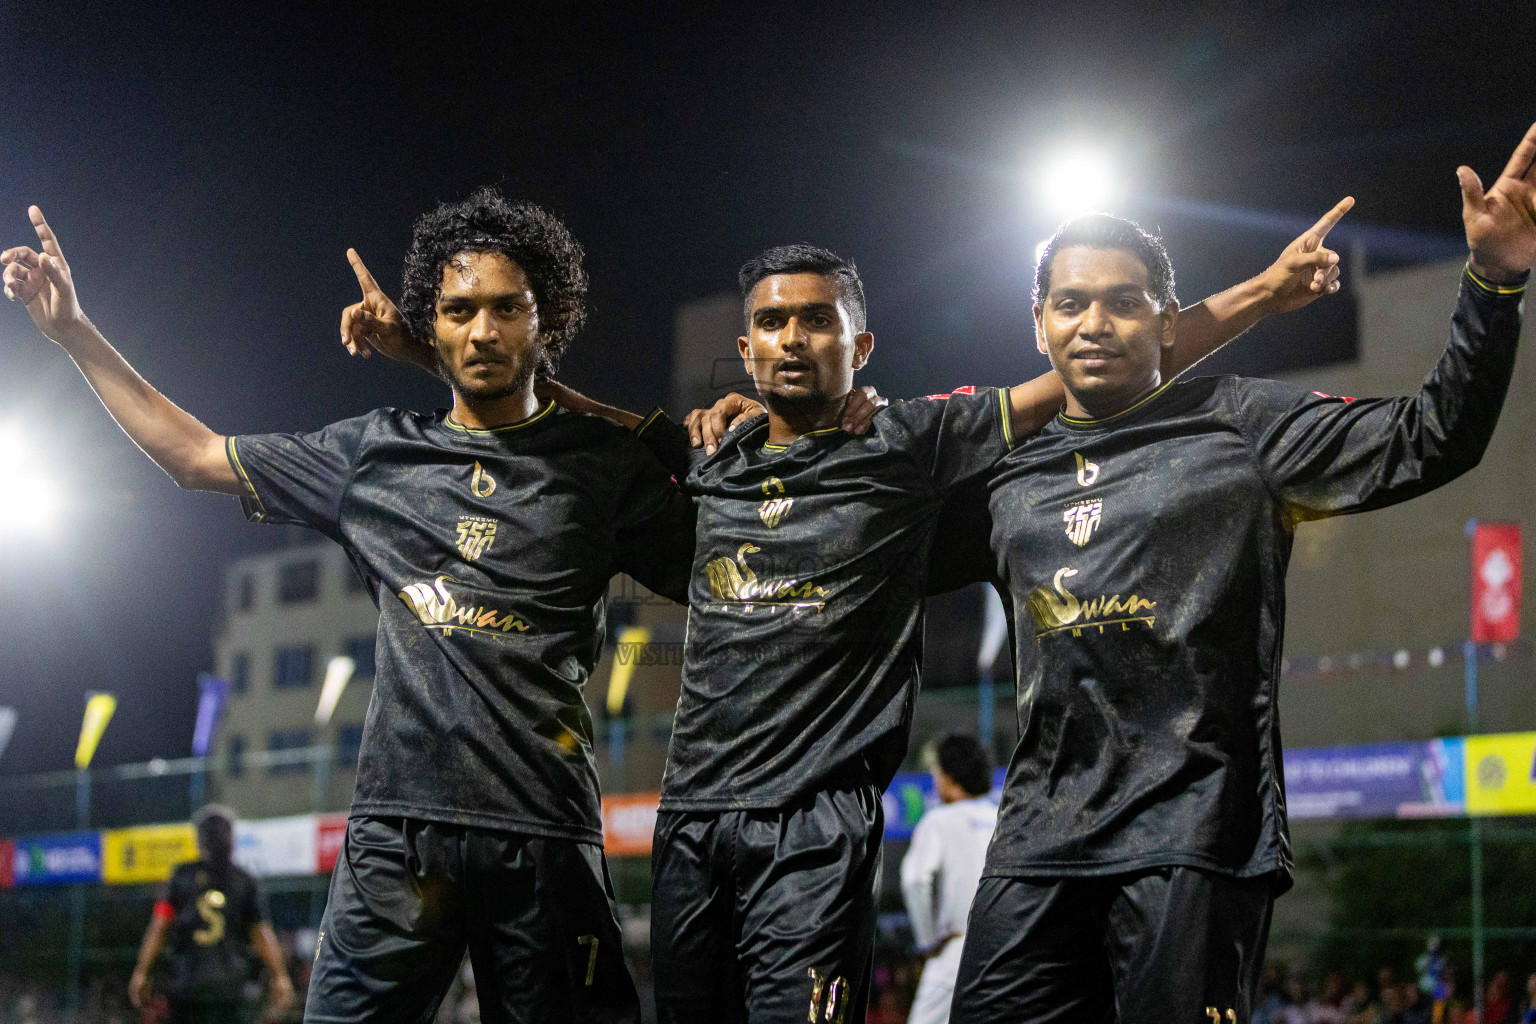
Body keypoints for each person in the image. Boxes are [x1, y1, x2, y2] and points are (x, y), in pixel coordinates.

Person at [476, 219, 1345, 1024]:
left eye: (818, 321)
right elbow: (589, 422)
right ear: (745, 350)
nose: (793, 339)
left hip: (816, 827)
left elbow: (1100, 361)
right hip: (693, 820)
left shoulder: (909, 443)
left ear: (861, 346)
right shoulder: (717, 453)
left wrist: (1265, 293)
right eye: (775, 324)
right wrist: (432, 358)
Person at [1, 187, 699, 1024]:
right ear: (429, 323)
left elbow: (723, 554)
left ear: (546, 320)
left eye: (508, 309)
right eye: (459, 310)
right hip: (395, 837)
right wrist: (74, 332)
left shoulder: (601, 467)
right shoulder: (374, 455)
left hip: (543, 830)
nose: (482, 331)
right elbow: (191, 454)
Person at [948, 123, 1536, 1024]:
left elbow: (1435, 436)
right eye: (1069, 303)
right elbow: (865, 519)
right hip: (1035, 843)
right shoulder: (1004, 475)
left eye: (1122, 302)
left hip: (1191, 836)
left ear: (1168, 322)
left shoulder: (1245, 426)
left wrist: (1493, 282)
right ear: (1038, 323)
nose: (1093, 324)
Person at [127, 806, 293, 1024]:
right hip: (230, 988)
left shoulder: (181, 876)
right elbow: (261, 933)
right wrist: (279, 975)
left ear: (199, 840)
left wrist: (141, 971)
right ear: (231, 840)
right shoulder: (243, 880)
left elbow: (160, 925)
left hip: (188, 984)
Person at [900, 734, 999, 1024]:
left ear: (950, 776)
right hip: (1003, 951)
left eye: (937, 770)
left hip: (955, 949)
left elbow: (915, 881)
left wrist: (928, 940)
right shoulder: (1000, 817)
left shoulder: (938, 821)